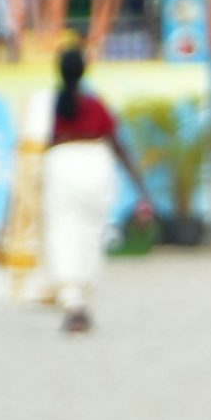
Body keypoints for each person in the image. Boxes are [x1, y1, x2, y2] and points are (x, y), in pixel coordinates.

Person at [42, 46, 157, 335]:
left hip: (61, 165)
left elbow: (37, 144)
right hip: (95, 166)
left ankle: (72, 304)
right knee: (91, 233)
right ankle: (84, 296)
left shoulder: (49, 105)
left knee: (62, 233)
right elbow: (117, 144)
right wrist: (140, 187)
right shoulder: (94, 105)